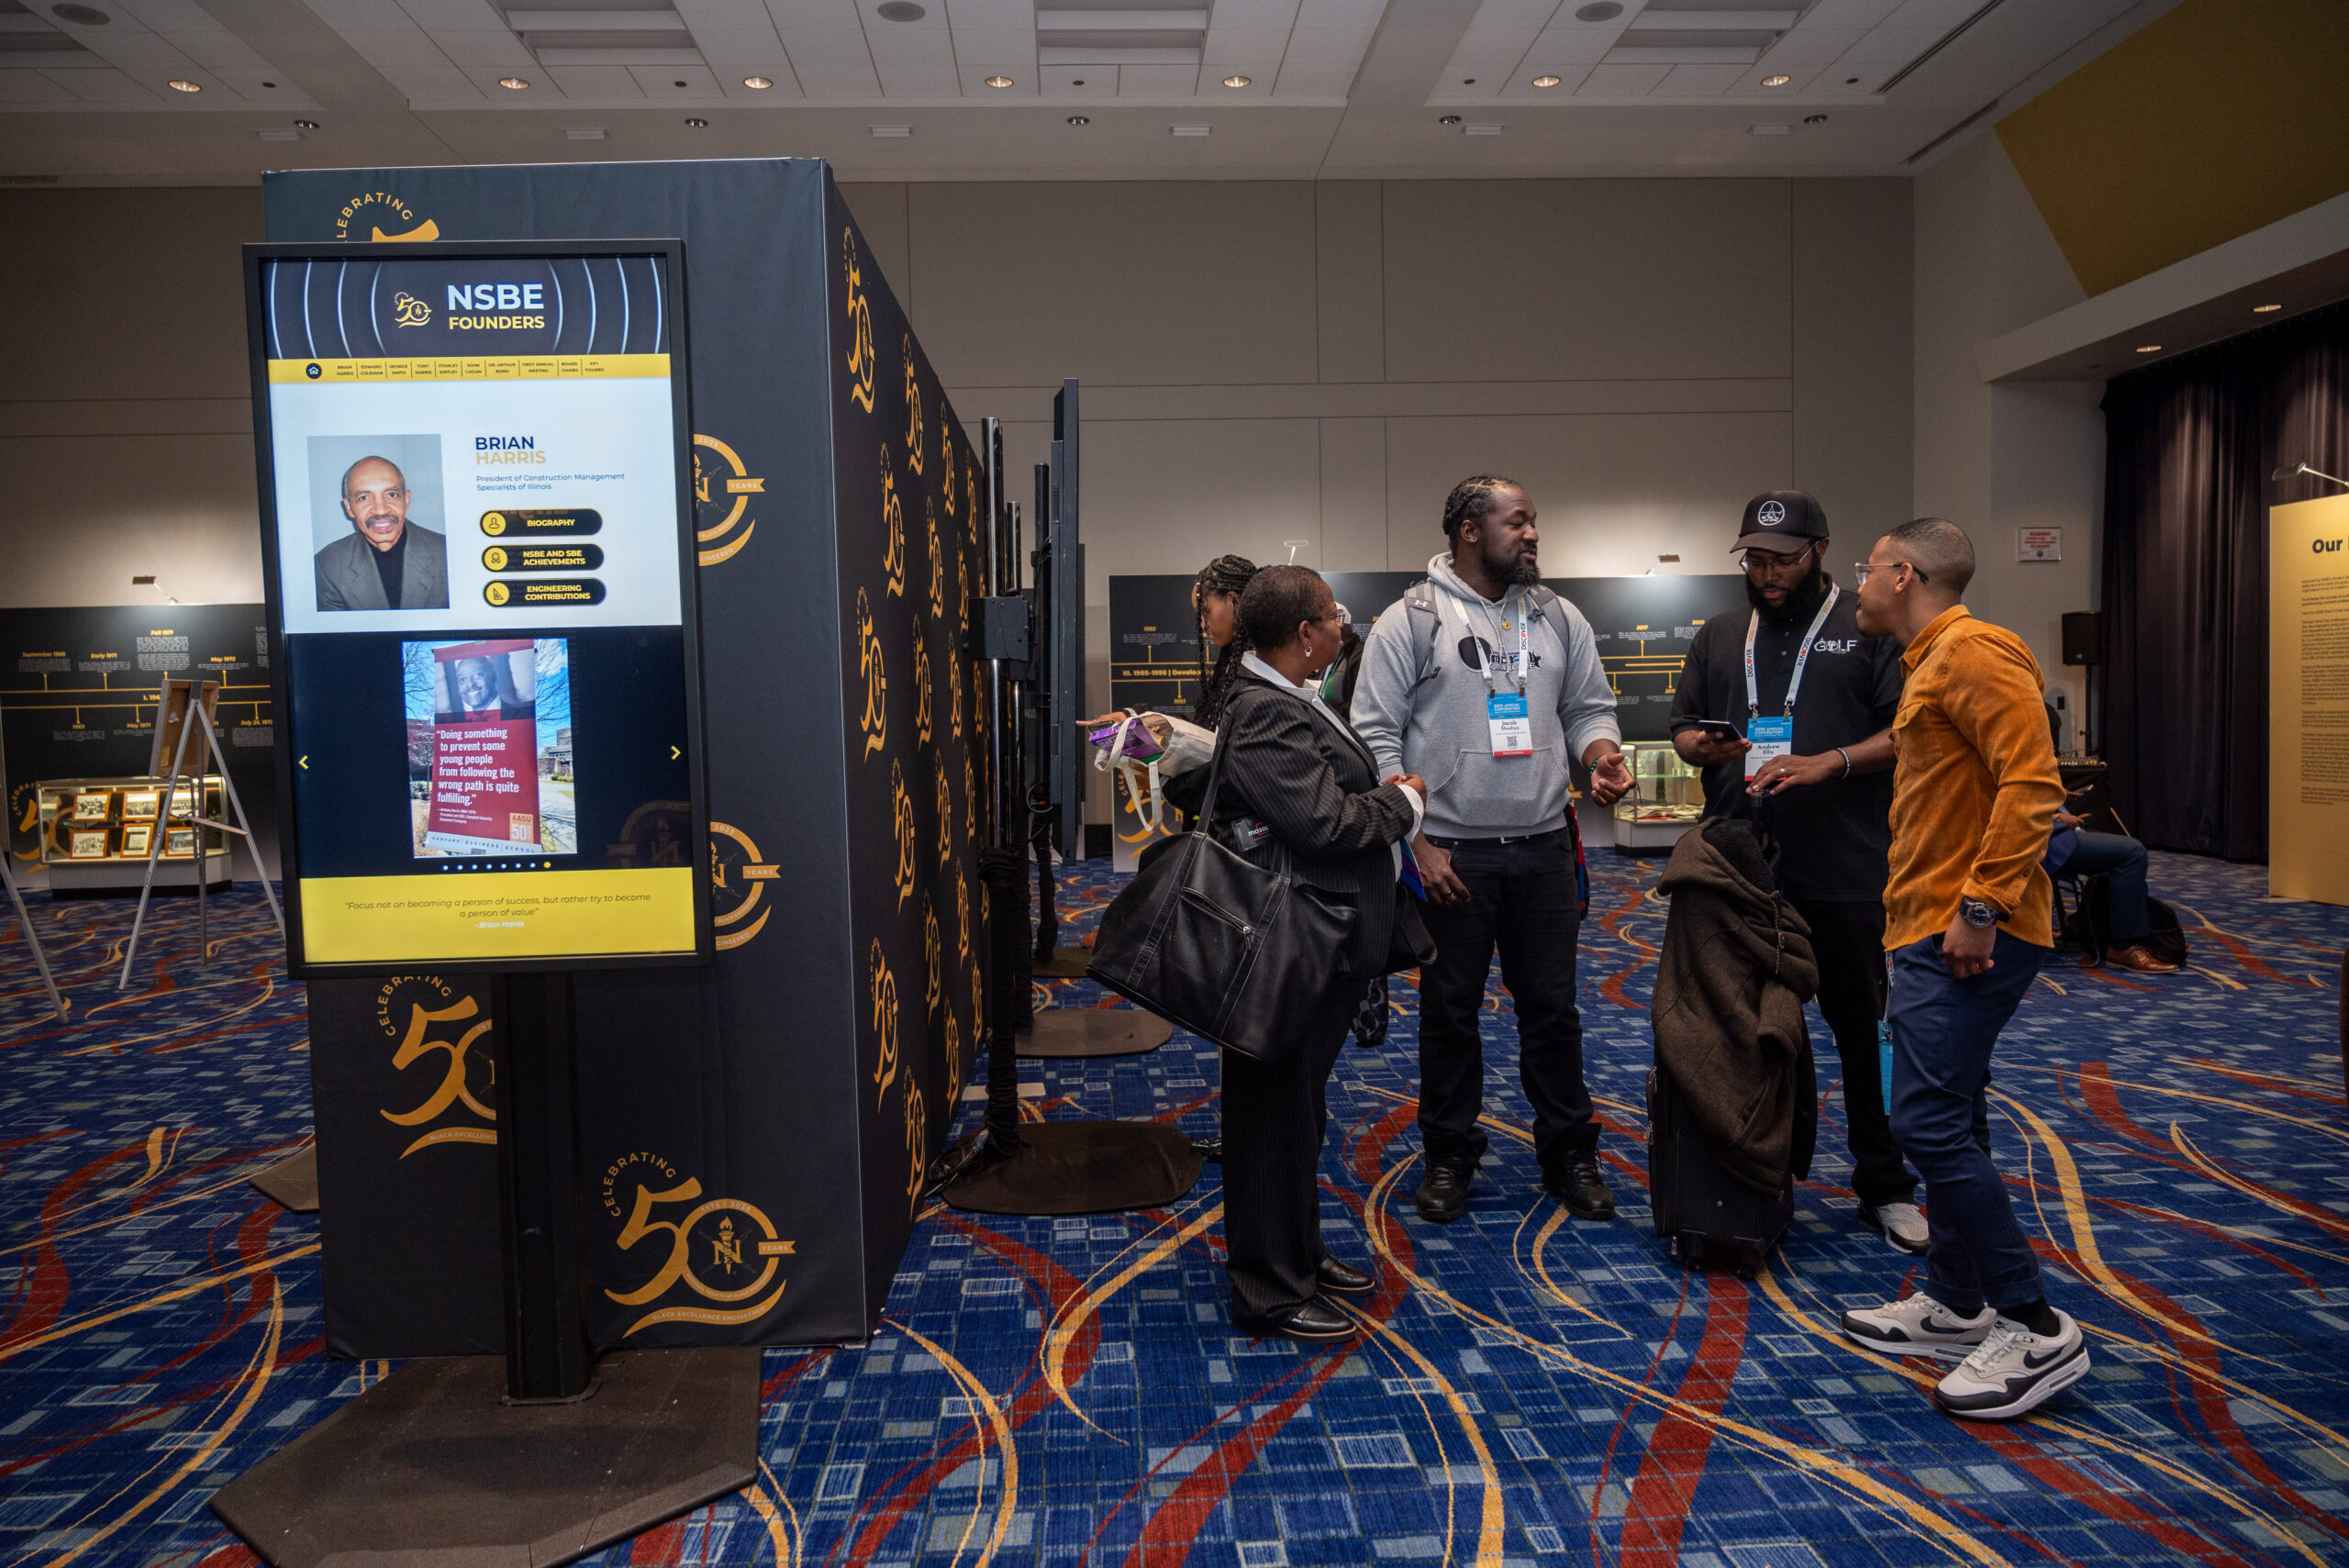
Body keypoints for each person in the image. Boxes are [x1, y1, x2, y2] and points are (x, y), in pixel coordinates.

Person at [1839, 517, 2089, 1421]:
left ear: (1902, 573)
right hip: (1929, 927)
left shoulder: (1974, 653)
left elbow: (2033, 783)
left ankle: (2034, 1322)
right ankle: (1953, 1297)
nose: (1857, 586)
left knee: (1927, 1123)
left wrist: (1980, 905)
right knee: (1954, 1110)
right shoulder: (1927, 662)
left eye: (1867, 570)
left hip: (1967, 932)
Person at [1352, 475, 1633, 1226]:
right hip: (1450, 855)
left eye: (1535, 521)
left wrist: (1600, 753)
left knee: (1553, 1011)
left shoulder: (1556, 614)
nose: (1534, 533)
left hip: (1543, 847)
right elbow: (1374, 734)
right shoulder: (1410, 619)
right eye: (1520, 522)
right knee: (1450, 1012)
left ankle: (1569, 1152)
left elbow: (1587, 707)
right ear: (1471, 530)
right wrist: (1416, 841)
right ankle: (1448, 1154)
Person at [1666, 490, 1926, 1255]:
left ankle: (1885, 1186)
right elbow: (1682, 728)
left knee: (1859, 1031)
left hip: (1843, 868)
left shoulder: (1868, 628)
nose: (1767, 572)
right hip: (1738, 869)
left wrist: (1829, 762)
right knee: (1738, 1036)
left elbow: (1906, 734)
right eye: (1755, 558)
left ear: (1818, 551)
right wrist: (1697, 748)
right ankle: (1746, 1184)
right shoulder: (1719, 635)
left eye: (1782, 558)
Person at [1204, 564, 1427, 1343]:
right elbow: (1325, 826)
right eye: (1335, 615)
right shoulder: (1264, 710)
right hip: (1288, 946)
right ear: (1306, 634)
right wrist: (1402, 802)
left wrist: (1377, 799)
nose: (1343, 624)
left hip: (1315, 941)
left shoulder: (1292, 697)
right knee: (1270, 1117)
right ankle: (1268, 1288)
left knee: (1298, 1112)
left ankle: (1295, 1251)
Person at [316, 455, 450, 612]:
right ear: (349, 508)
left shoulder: (447, 554)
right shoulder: (327, 565)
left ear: (406, 500)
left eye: (391, 495)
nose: (381, 509)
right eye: (364, 497)